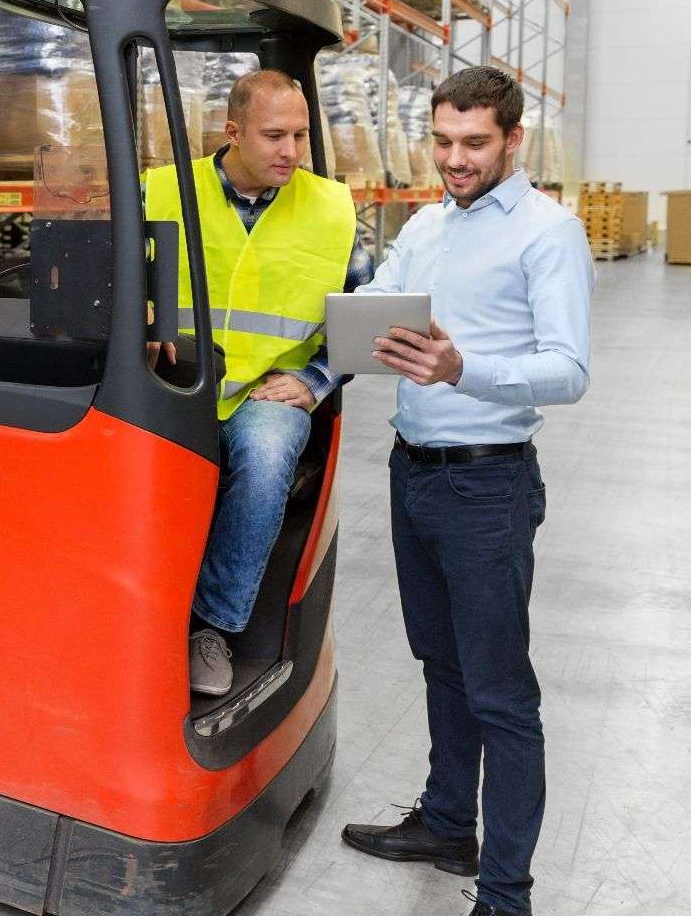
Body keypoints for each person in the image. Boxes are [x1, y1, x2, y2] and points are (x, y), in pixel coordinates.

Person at [338, 66, 593, 916]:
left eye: (474, 143)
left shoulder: (548, 234)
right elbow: (378, 303)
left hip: (488, 484)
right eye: (443, 141)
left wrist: (462, 367)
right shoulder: (427, 224)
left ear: (512, 139)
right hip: (414, 472)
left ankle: (507, 894)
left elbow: (567, 371)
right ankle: (449, 822)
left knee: (501, 694)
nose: (454, 158)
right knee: (439, 665)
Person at [143, 68, 371, 697]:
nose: (291, 152)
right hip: (169, 382)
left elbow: (368, 310)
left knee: (269, 454)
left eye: (300, 136)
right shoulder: (161, 191)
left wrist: (316, 379)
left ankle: (212, 626)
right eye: (274, 136)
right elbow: (109, 289)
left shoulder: (331, 206)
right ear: (233, 131)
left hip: (267, 390)